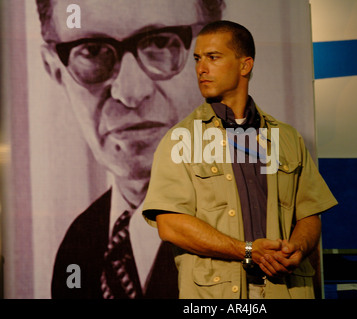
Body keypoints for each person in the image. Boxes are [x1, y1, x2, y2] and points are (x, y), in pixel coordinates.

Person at [36, 0, 224, 298]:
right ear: (55, 69)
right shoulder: (78, 245)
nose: (131, 92)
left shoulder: (270, 230)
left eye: (161, 43)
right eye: (92, 51)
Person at [142, 20, 338, 299]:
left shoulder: (287, 138)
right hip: (218, 296)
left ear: (245, 65)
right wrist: (247, 250)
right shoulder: (180, 139)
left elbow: (309, 213)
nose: (201, 68)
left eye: (213, 57)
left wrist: (295, 250)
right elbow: (170, 224)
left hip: (287, 290)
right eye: (197, 59)